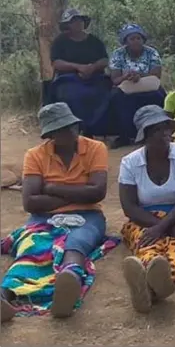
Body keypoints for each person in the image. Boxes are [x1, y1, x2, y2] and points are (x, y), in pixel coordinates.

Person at [1, 103, 109, 323]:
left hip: (88, 214)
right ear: (50, 135)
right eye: (62, 128)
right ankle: (5, 296)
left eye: (71, 125)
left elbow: (97, 193)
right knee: (33, 247)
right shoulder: (35, 155)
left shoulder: (96, 148)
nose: (70, 131)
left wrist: (51, 188)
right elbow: (30, 202)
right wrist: (79, 192)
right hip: (44, 217)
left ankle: (69, 278)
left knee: (77, 241)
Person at [118, 105, 175, 314]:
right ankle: (154, 281)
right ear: (146, 136)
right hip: (144, 217)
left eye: (166, 127)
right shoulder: (130, 163)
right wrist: (161, 227)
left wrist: (165, 226)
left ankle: (152, 288)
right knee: (147, 245)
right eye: (157, 129)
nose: (166, 133)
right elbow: (129, 206)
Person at [49, 9, 112, 137]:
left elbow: (105, 59)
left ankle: (97, 129)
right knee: (72, 96)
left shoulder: (94, 41)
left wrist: (92, 67)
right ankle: (77, 128)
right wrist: (78, 67)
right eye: (74, 21)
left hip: (95, 77)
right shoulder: (60, 41)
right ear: (68, 25)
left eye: (80, 20)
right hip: (68, 78)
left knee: (104, 94)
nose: (78, 23)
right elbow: (56, 62)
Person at [109, 24, 166, 148]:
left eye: (138, 38)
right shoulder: (118, 54)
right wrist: (126, 76)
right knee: (116, 97)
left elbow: (156, 75)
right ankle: (124, 136)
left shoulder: (152, 52)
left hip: (147, 86)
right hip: (126, 87)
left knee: (159, 95)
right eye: (132, 38)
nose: (136, 41)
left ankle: (153, 132)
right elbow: (115, 79)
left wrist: (139, 75)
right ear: (126, 41)